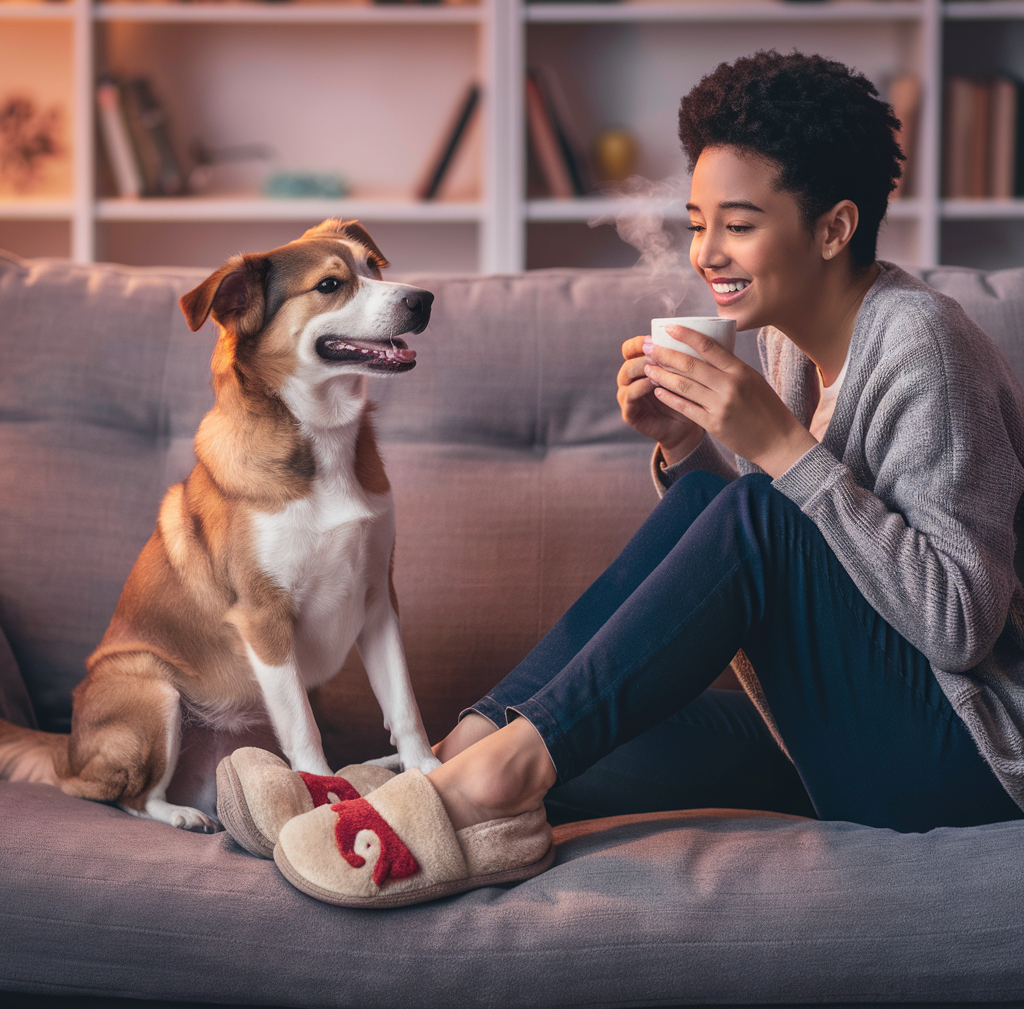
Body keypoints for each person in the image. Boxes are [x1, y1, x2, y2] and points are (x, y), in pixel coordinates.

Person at [241, 51, 1024, 907]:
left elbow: (957, 626)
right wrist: (690, 445)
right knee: (614, 697)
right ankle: (456, 756)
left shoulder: (924, 349)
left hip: (967, 769)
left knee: (754, 506)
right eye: (696, 222)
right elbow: (814, 568)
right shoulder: (785, 340)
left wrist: (781, 449)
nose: (706, 254)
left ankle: (485, 783)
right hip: (839, 736)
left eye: (738, 224)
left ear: (834, 229)